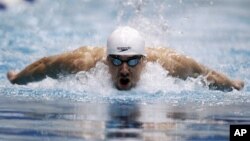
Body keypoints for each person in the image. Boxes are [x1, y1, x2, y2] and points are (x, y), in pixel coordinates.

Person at [7, 26, 244, 91]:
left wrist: (232, 84)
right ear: (106, 59)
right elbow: (45, 65)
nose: (123, 70)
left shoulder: (169, 64)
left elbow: (204, 74)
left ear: (144, 60)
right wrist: (17, 78)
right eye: (116, 60)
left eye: (132, 61)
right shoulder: (84, 62)